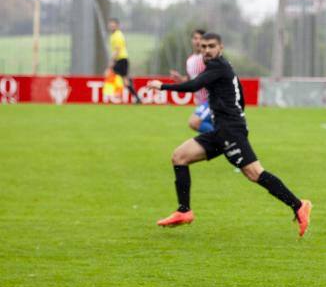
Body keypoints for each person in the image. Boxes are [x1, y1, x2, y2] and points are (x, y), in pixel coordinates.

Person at [146, 32, 312, 235]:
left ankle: (298, 205)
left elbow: (194, 85)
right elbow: (240, 93)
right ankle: (184, 211)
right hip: (222, 129)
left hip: (231, 131)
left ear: (220, 48)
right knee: (179, 156)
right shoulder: (222, 66)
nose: (206, 50)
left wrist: (162, 86)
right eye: (204, 47)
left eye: (211, 46)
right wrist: (237, 114)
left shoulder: (218, 67)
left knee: (254, 173)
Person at [170, 29, 215, 133]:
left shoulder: (208, 58)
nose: (198, 41)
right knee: (207, 129)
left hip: (212, 100)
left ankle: (223, 140)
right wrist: (181, 79)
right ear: (192, 40)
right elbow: (192, 79)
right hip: (201, 102)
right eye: (195, 38)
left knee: (194, 122)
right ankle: (221, 144)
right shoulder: (190, 60)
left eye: (201, 39)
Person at [107, 18, 142, 104]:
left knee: (113, 73)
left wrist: (112, 61)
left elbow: (117, 49)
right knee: (123, 79)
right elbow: (124, 45)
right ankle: (136, 97)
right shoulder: (115, 35)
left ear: (117, 26)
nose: (111, 27)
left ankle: (134, 96)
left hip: (122, 59)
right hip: (122, 59)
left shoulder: (117, 35)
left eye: (113, 25)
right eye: (110, 25)